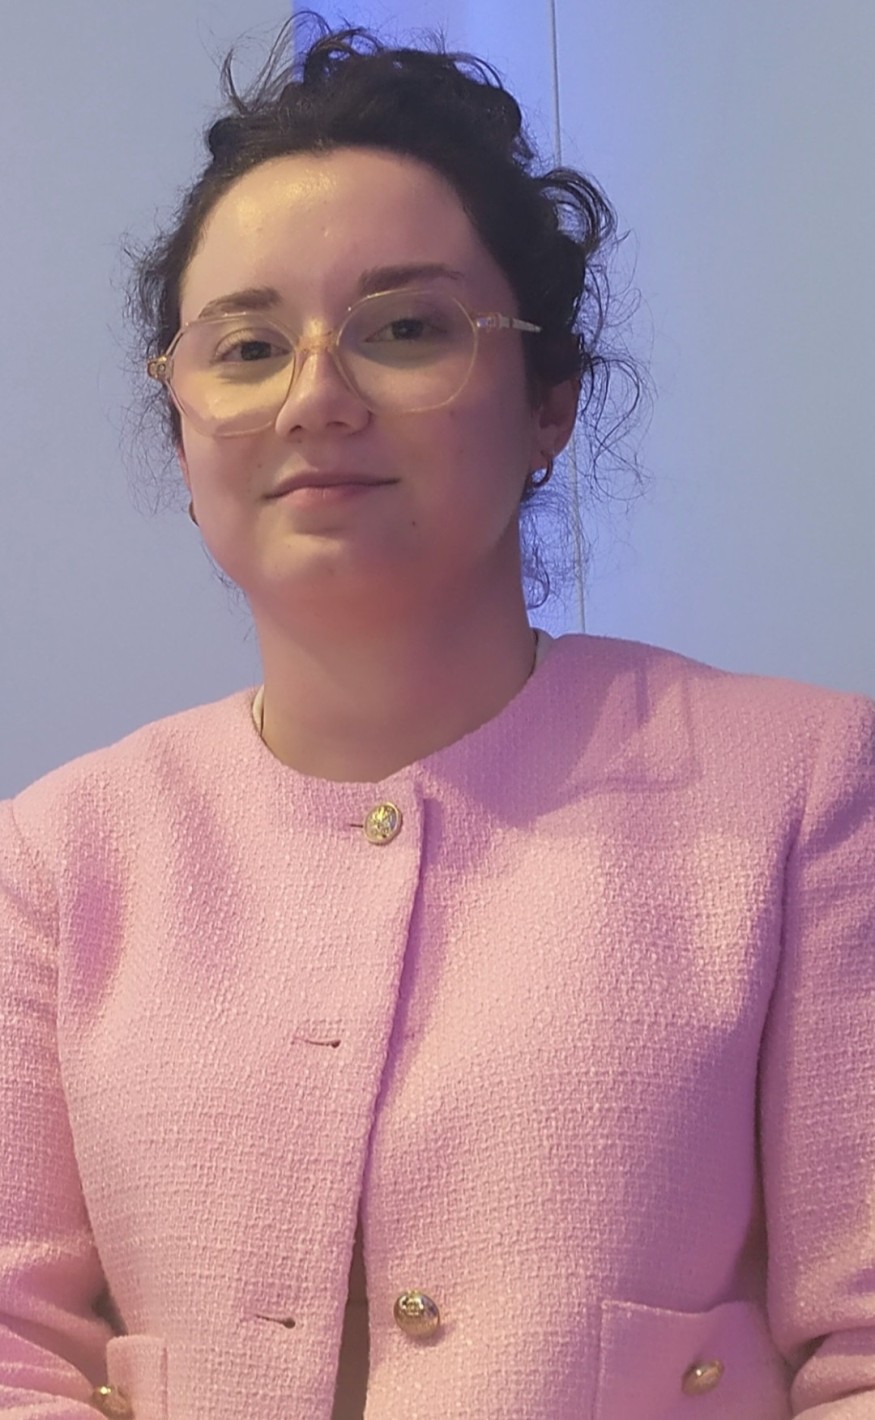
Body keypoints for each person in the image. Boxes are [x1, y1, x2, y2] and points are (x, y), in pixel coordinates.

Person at [1, 15, 873, 1420]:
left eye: (405, 329)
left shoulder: (806, 794)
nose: (316, 400)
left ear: (549, 403)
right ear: (181, 429)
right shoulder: (58, 860)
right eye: (246, 347)